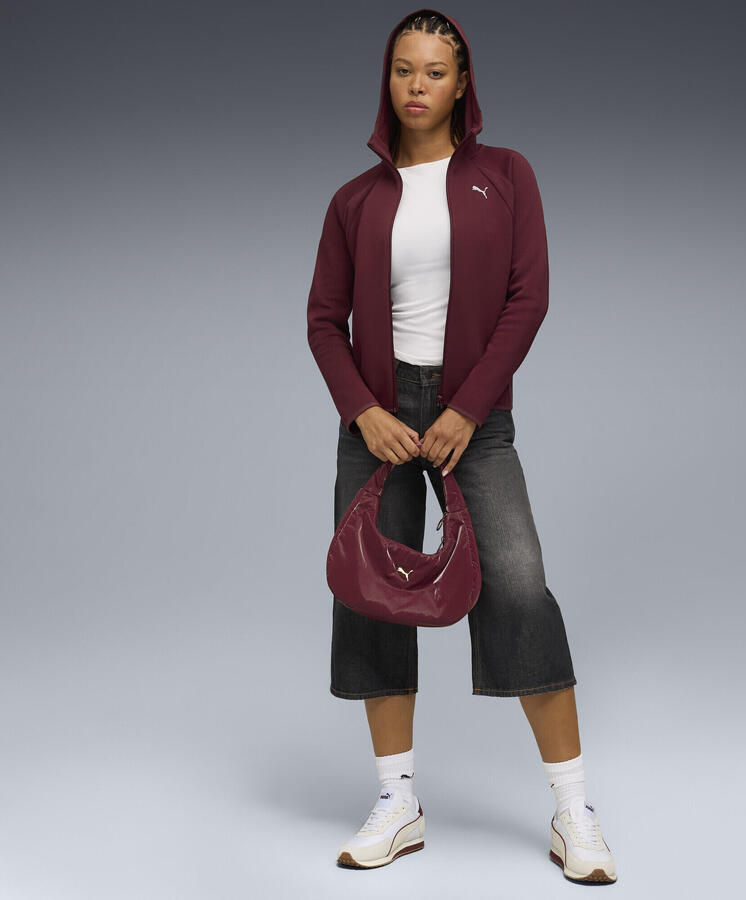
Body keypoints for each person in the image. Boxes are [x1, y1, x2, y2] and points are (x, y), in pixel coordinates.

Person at [306, 8, 617, 884]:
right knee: (369, 596)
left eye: (435, 71)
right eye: (404, 69)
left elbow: (529, 298)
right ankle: (396, 803)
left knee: (518, 588)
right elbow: (324, 321)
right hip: (379, 419)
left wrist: (469, 408)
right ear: (387, 78)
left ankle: (573, 810)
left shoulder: (506, 176)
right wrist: (363, 411)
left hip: (472, 420)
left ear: (462, 82)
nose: (417, 86)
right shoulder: (354, 200)